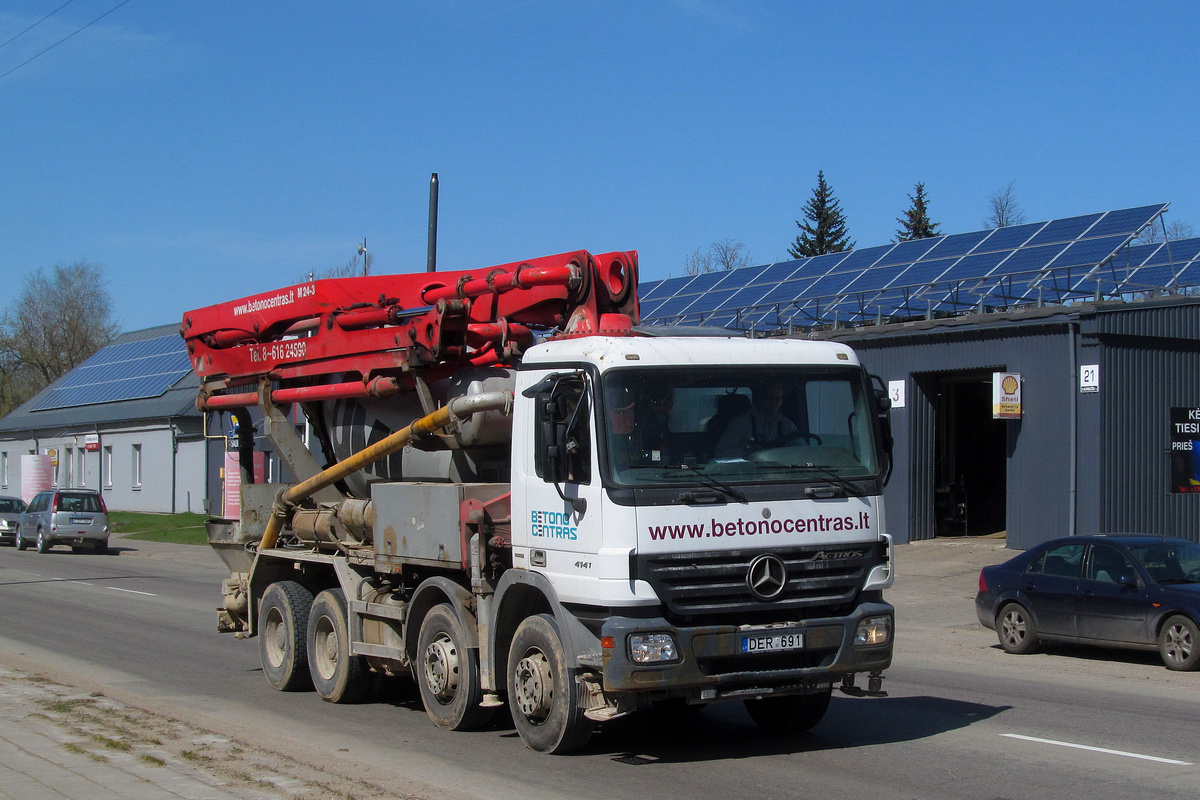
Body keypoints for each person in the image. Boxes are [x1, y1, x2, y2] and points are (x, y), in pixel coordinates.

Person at [714, 383, 798, 458]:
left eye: (778, 398)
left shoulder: (787, 425)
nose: (774, 402)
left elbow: (801, 451)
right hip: (747, 473)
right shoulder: (741, 423)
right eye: (770, 397)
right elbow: (720, 454)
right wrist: (747, 451)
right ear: (760, 398)